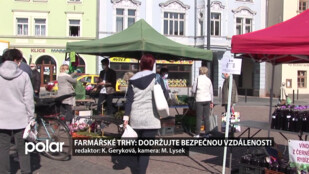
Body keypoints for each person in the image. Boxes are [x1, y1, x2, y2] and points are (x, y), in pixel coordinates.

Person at [123, 54, 167, 174]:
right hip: (151, 118)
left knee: (138, 148)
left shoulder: (132, 79)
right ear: (152, 64)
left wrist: (126, 117)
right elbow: (165, 96)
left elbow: (129, 100)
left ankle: (138, 169)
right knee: (145, 151)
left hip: (136, 118)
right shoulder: (157, 78)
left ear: (141, 64)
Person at [0, 48, 34, 174]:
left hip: (1, 118)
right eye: (20, 60)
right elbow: (28, 99)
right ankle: (26, 171)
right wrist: (31, 118)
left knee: (3, 148)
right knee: (23, 147)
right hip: (20, 118)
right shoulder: (23, 76)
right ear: (16, 60)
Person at [191, 67, 214, 138]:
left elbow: (194, 90)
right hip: (207, 100)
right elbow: (211, 92)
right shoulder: (208, 80)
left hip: (199, 99)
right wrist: (212, 101)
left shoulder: (197, 79)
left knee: (199, 117)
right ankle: (207, 133)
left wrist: (193, 93)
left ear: (200, 71)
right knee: (207, 117)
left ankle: (197, 133)